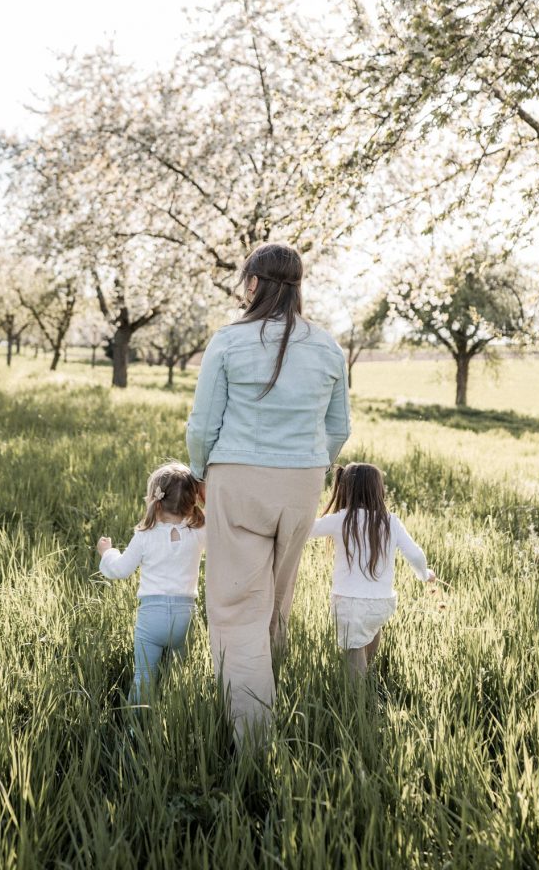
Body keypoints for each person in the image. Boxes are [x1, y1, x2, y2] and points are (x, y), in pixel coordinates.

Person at [186, 242, 350, 744]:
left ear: (254, 283)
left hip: (237, 479)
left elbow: (202, 425)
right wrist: (311, 463)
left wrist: (199, 473)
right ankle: (266, 683)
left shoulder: (228, 341)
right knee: (277, 595)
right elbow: (339, 428)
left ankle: (253, 741)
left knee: (237, 605)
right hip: (302, 483)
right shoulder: (327, 346)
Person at [309, 462, 435, 675]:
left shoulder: (342, 519)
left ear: (346, 489)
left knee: (354, 650)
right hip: (382, 603)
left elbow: (307, 529)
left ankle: (357, 692)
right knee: (371, 631)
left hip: (350, 602)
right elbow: (415, 554)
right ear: (378, 489)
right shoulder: (390, 521)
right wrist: (425, 574)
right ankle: (368, 677)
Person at [96, 461, 205, 701]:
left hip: (151, 617)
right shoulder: (199, 531)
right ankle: (177, 715)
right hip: (186, 617)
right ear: (193, 499)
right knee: (179, 678)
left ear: (155, 499)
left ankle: (136, 722)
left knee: (144, 677)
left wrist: (107, 552)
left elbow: (120, 569)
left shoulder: (145, 535)